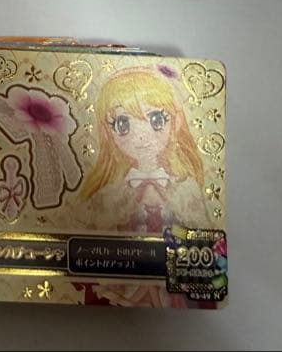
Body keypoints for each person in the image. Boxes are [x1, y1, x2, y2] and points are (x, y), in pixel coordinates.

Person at [79, 66, 209, 307]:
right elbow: (90, 249)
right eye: (123, 123)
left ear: (176, 122)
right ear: (107, 131)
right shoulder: (110, 195)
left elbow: (205, 247)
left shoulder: (186, 190)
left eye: (156, 120)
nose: (141, 136)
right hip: (125, 290)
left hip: (174, 291)